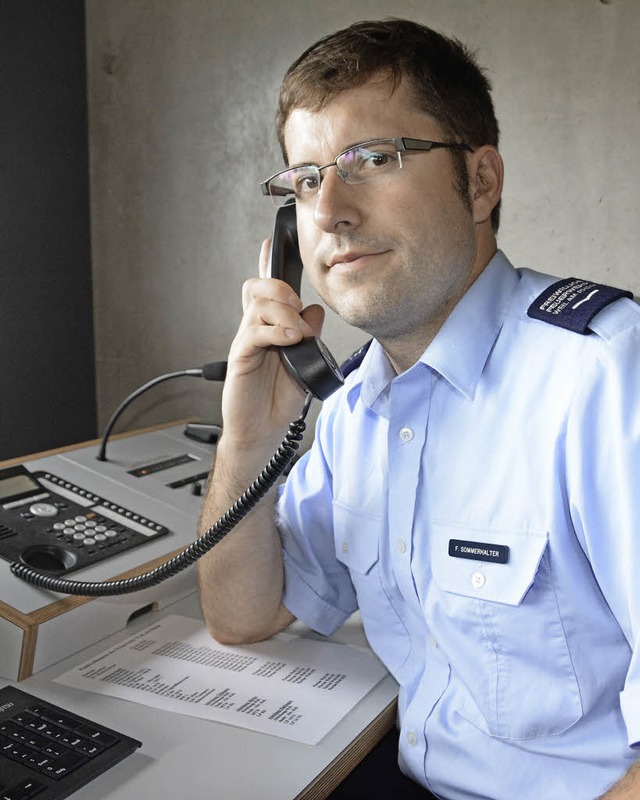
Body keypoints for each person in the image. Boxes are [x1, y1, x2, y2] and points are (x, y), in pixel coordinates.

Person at [197, 18, 640, 800]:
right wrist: (247, 441)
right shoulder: (356, 408)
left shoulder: (603, 377)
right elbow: (243, 615)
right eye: (304, 178)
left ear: (481, 181)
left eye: (372, 160)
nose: (329, 209)